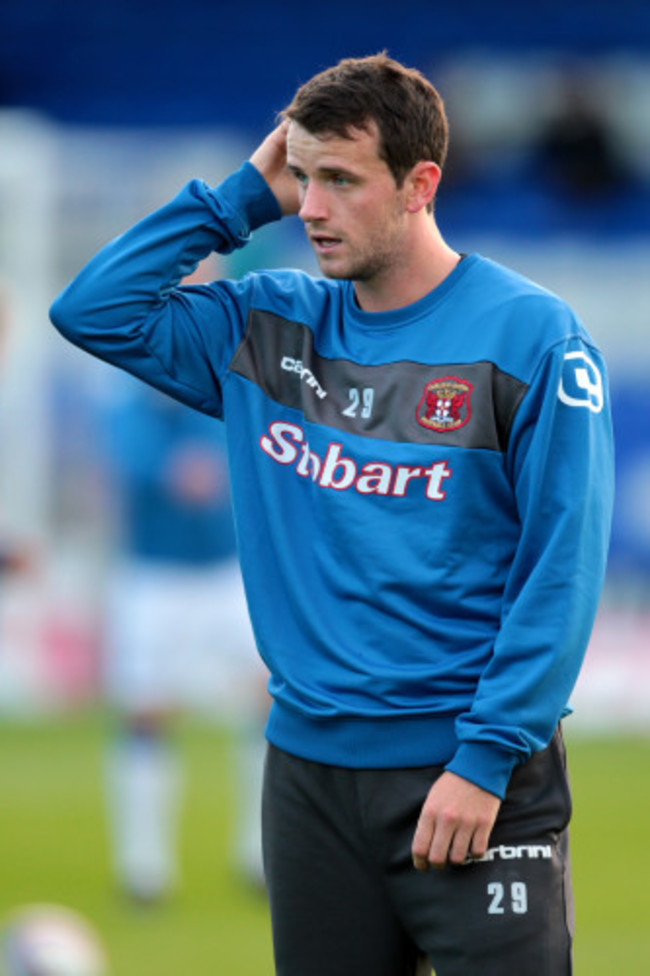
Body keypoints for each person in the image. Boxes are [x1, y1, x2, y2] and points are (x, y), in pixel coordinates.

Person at [50, 53, 614, 975]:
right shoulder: (268, 328)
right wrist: (238, 197)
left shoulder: (532, 336)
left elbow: (564, 565)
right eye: (302, 177)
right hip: (308, 782)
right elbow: (93, 311)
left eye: (341, 181)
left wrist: (485, 760)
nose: (309, 207)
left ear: (419, 186)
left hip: (471, 777)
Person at [100, 377, 267, 902]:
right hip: (154, 577)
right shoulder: (130, 401)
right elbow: (137, 461)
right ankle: (144, 868)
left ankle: (259, 855)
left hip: (227, 572)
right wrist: (174, 470)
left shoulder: (229, 390)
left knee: (270, 702)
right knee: (146, 713)